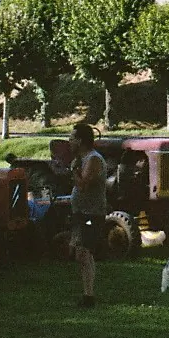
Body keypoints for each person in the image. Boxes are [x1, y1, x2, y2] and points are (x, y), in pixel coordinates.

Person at [68, 122, 107, 308]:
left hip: (91, 213)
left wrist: (73, 170)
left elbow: (83, 185)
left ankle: (88, 296)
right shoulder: (83, 159)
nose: (69, 142)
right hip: (80, 213)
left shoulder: (93, 159)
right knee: (80, 253)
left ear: (80, 141)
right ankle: (87, 293)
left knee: (84, 252)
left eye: (72, 138)